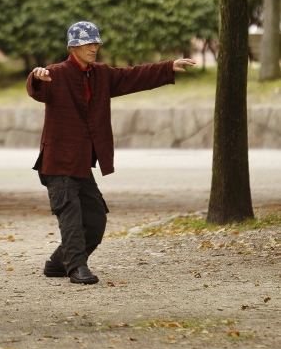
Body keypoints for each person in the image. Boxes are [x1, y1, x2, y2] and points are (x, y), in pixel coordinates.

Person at [26, 21, 195, 285]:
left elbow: (132, 76)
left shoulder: (101, 74)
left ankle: (58, 263)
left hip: (82, 164)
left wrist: (166, 67)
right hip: (58, 162)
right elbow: (38, 89)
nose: (94, 48)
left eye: (96, 43)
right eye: (87, 43)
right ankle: (77, 268)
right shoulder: (55, 74)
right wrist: (36, 77)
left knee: (95, 221)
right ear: (73, 46)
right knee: (70, 218)